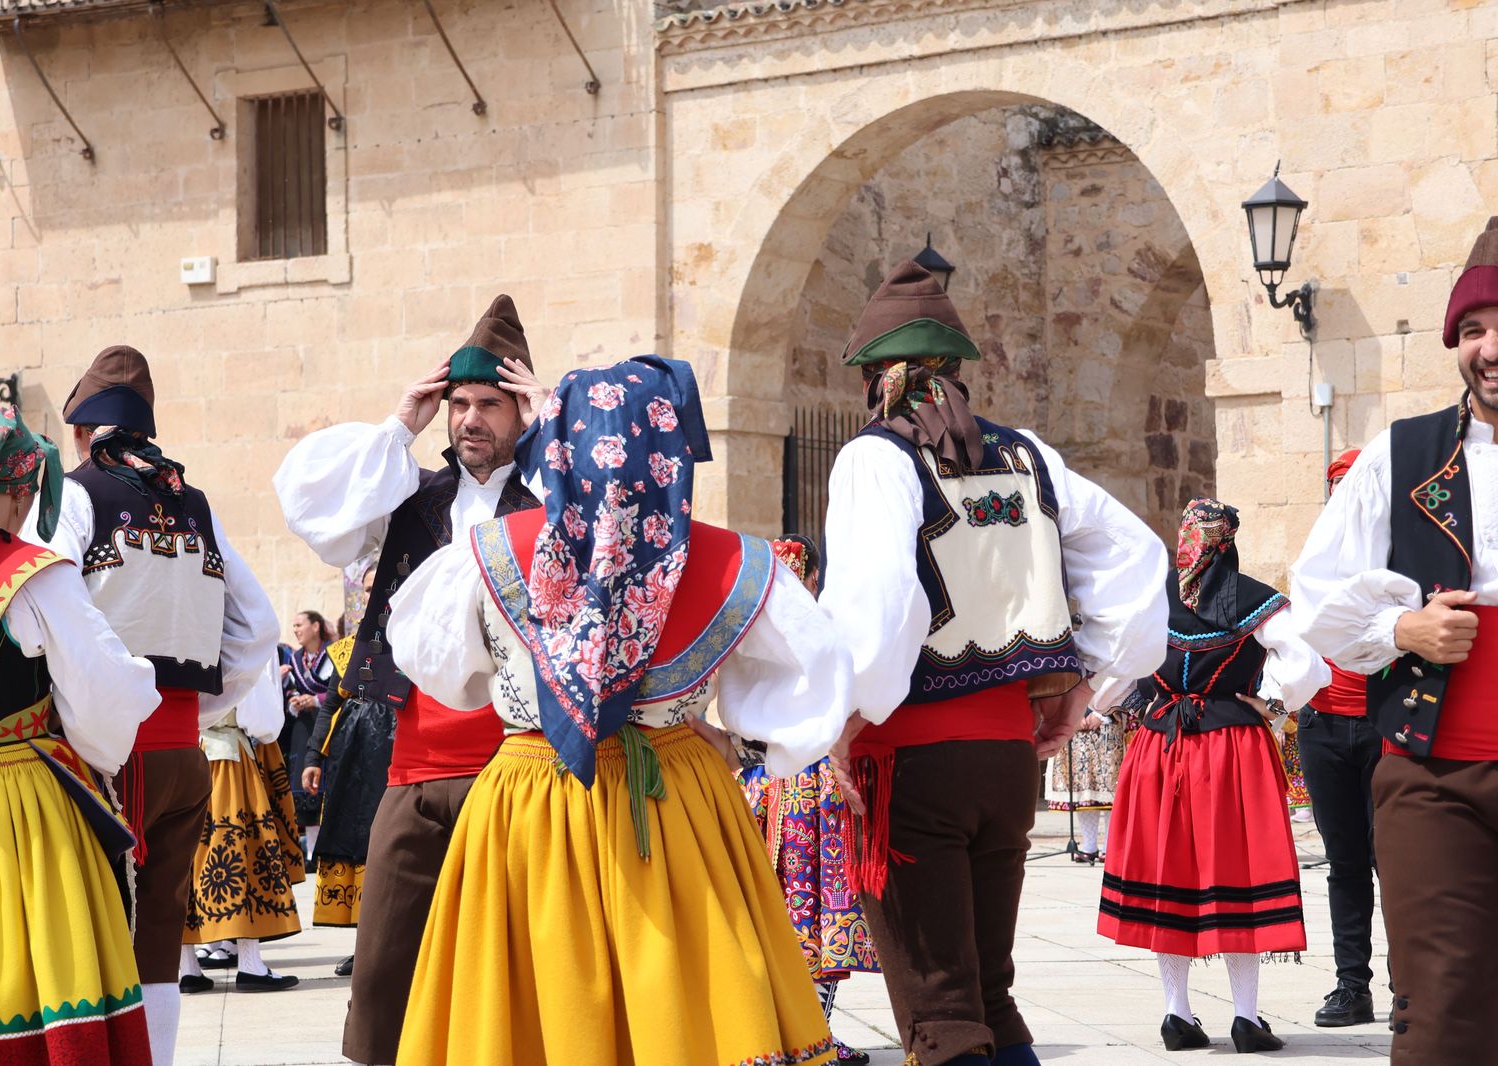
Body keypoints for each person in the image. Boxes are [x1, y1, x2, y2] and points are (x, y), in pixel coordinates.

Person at [389, 355, 855, 1065]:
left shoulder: (483, 554)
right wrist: (749, 744)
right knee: (690, 1002)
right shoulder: (738, 562)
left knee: (537, 1013)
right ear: (671, 447)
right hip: (677, 800)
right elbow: (815, 680)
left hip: (532, 796)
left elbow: (440, 670)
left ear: (558, 442)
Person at [818, 260, 1169, 1066]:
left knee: (940, 1006)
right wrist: (1091, 685)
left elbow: (878, 606)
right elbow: (1137, 560)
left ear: (879, 378)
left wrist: (840, 720)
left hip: (910, 763)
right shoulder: (1027, 457)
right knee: (988, 994)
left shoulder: (876, 459)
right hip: (1008, 762)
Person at [272, 295, 539, 1065]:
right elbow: (312, 510)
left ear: (520, 410)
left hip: (522, 762)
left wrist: (559, 430)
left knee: (517, 959)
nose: (470, 420)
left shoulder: (556, 498)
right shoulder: (407, 495)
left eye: (490, 403)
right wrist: (399, 424)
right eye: (460, 404)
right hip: (414, 757)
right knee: (385, 961)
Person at [25, 345, 280, 1066]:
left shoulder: (75, 495)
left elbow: (47, 604)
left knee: (94, 928)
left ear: (80, 428)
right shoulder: (193, 501)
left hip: (103, 754)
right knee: (160, 931)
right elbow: (257, 626)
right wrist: (197, 709)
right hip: (183, 755)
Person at [1290, 217, 1498, 1066]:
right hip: (1431, 771)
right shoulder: (1402, 453)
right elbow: (1315, 595)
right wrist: (1402, 627)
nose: (1490, 347)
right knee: (1443, 1016)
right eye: (1475, 329)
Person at [0, 407, 160, 1065]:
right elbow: (106, 696)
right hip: (17, 816)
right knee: (37, 978)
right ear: (14, 490)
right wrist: (142, 683)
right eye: (25, 495)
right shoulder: (34, 576)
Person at [1097, 500, 1328, 1053]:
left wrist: (1133, 702)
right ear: (1228, 542)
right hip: (1229, 749)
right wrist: (1271, 705)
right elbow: (1310, 664)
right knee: (1236, 874)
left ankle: (1177, 1014)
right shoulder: (1252, 600)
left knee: (1168, 873)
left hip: (1159, 746)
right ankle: (1246, 1019)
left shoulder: (1152, 596)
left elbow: (1111, 669)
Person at [739, 534, 879, 1066]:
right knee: (815, 911)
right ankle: (812, 1033)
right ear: (814, 581)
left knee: (773, 912)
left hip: (756, 783)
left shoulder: (749, 634)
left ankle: (776, 1032)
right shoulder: (825, 633)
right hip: (812, 788)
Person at [1287, 450, 1381, 1028]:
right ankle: (1353, 986)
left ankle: (1410, 986)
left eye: (1352, 486)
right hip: (1324, 725)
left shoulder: (1393, 556)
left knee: (1397, 861)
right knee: (1344, 862)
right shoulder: (1315, 563)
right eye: (1336, 486)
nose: (1343, 496)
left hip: (1382, 724)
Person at [180, 655, 305, 994]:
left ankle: (186, 968)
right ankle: (250, 964)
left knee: (185, 860)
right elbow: (263, 721)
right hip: (228, 759)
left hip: (184, 752)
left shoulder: (180, 632)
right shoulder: (239, 643)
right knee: (242, 855)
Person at [304, 567, 397, 956]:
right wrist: (313, 758)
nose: (373, 595)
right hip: (352, 762)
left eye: (381, 587)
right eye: (368, 588)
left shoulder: (415, 641)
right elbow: (330, 708)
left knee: (392, 845)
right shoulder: (348, 649)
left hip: (398, 757)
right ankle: (365, 948)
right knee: (355, 843)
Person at [1043, 696, 1137, 863]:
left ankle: (1110, 847)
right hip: (1077, 728)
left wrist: (1100, 715)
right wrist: (1072, 718)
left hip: (1109, 724)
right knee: (1084, 792)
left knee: (1110, 790)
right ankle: (1089, 846)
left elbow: (1121, 684)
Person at [285, 609, 334, 866]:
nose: (295, 630)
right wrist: (295, 701)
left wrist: (316, 700)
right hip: (304, 728)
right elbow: (292, 687)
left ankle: (329, 849)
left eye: (299, 624)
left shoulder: (333, 654)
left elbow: (340, 690)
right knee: (307, 794)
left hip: (328, 726)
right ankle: (312, 854)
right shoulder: (295, 659)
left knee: (329, 786)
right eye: (293, 626)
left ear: (316, 627)